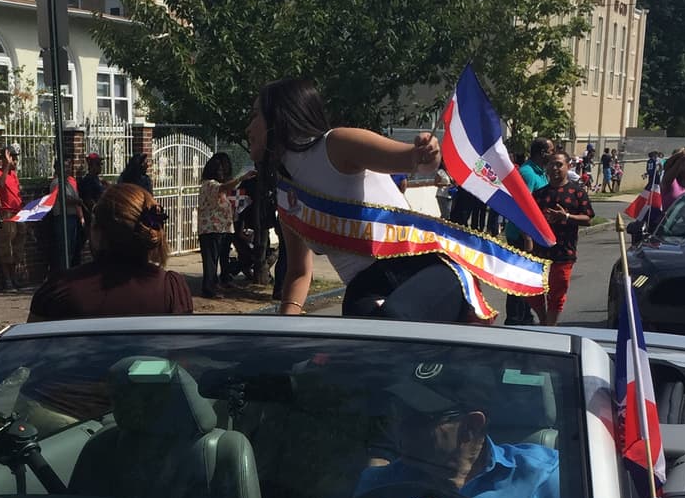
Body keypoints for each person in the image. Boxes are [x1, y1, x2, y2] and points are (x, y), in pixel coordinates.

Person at [249, 77, 477, 325]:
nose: (248, 128)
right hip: (366, 289)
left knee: (392, 320)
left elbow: (415, 160)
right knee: (361, 330)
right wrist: (284, 331)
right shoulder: (287, 195)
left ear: (278, 118)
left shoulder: (336, 145)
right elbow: (299, 272)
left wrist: (427, 151)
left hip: (422, 270)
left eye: (254, 116)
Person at [348, 360, 560, 498]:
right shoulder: (377, 484)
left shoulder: (544, 477)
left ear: (471, 426)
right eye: (399, 414)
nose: (401, 428)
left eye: (419, 420)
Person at [28, 181, 192, 321]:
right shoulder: (171, 289)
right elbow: (183, 353)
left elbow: (32, 353)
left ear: (98, 232)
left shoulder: (59, 291)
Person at [533, 149, 592, 325]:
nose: (555, 168)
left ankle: (550, 327)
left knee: (557, 292)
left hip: (564, 250)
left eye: (559, 164)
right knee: (534, 290)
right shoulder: (540, 194)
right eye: (551, 164)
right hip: (539, 251)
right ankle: (544, 320)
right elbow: (529, 218)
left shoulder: (577, 192)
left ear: (568, 166)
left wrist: (566, 217)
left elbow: (588, 218)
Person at [197, 152, 237, 298]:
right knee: (210, 261)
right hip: (211, 228)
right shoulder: (209, 185)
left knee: (218, 258)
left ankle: (216, 284)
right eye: (220, 171)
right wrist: (242, 178)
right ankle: (208, 289)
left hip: (220, 228)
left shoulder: (215, 185)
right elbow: (224, 187)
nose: (223, 173)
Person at [0, 145, 25, 289]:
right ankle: (7, 279)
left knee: (17, 245)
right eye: (12, 158)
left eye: (15, 158)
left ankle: (14, 276)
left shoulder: (14, 175)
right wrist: (6, 167)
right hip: (6, 213)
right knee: (6, 246)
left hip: (18, 212)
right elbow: (1, 185)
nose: (14, 161)